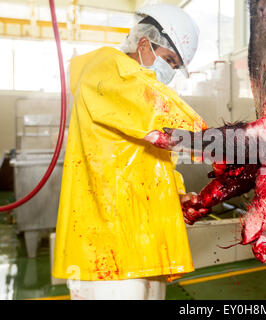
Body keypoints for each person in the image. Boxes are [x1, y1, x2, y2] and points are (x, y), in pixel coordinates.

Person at [52, 3, 206, 300]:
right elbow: (157, 116)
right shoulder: (108, 71)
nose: (171, 73)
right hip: (108, 247)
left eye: (176, 67)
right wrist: (234, 143)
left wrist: (176, 194)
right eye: (169, 61)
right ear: (145, 44)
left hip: (142, 239)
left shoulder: (140, 87)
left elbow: (158, 162)